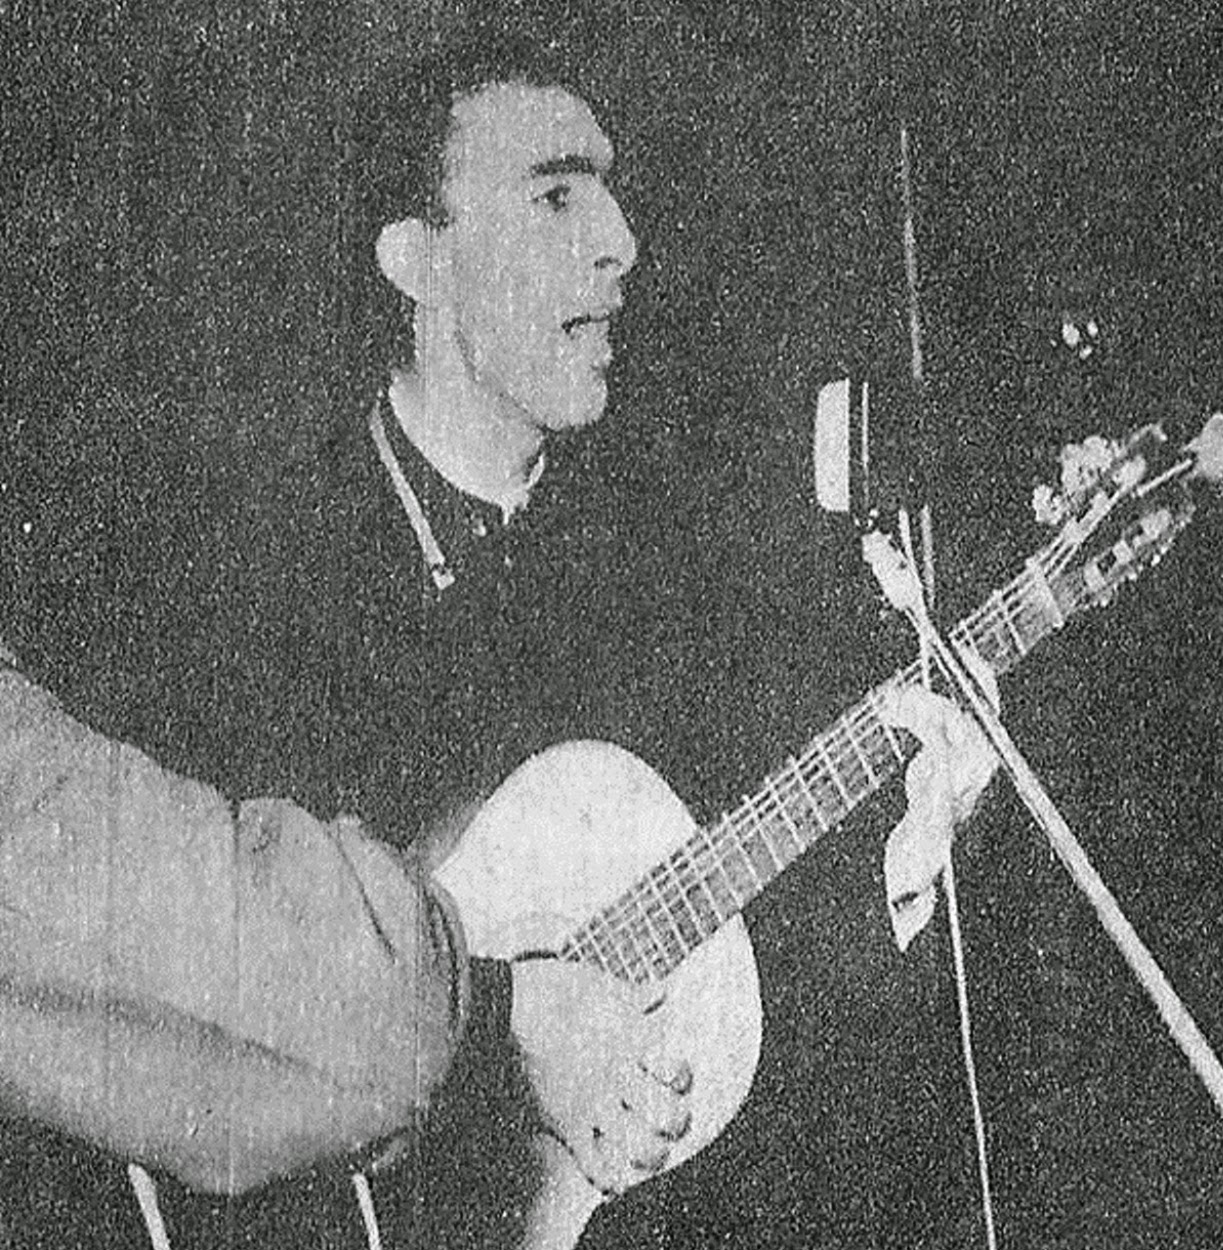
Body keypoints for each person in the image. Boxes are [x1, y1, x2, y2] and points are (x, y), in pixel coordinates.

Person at [0, 26, 997, 1250]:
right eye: (555, 196)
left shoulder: (678, 572)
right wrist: (499, 1040)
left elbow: (765, 1003)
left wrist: (907, 856)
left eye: (612, 194)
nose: (620, 242)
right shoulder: (226, 581)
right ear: (417, 260)